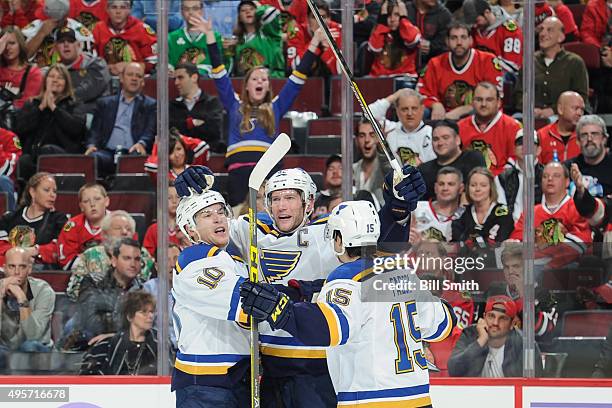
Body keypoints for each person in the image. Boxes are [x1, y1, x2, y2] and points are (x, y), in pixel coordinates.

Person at [175, 161, 426, 408]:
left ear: (309, 203)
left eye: (290, 198)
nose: (282, 206)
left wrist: (397, 208)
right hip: (271, 373)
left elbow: (380, 244)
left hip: (318, 373)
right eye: (275, 198)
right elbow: (209, 230)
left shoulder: (329, 232)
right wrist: (197, 184)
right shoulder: (248, 231)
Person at [239, 200, 456, 406]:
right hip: (418, 398)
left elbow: (329, 329)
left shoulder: (346, 278)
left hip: (370, 401)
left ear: (340, 240)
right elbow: (444, 325)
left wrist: (279, 309)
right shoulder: (405, 275)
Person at [197, 14, 322, 207]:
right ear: (246, 85)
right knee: (240, 220)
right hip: (239, 173)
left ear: (268, 86)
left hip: (269, 172)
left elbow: (297, 79)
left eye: (264, 79)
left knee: (269, 217)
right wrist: (210, 38)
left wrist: (314, 43)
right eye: (255, 79)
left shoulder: (276, 107)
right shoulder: (234, 105)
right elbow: (220, 76)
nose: (260, 82)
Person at [171, 190, 250, 407]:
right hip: (204, 384)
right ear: (190, 229)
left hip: (237, 377)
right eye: (206, 215)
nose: (218, 218)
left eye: (220, 211)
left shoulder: (233, 260)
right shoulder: (194, 260)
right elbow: (247, 303)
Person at [510, 162, 592, 268]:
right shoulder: (530, 213)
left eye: (556, 176)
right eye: (545, 176)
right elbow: (515, 245)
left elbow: (580, 243)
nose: (550, 179)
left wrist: (539, 249)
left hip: (569, 270)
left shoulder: (577, 208)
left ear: (567, 182)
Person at [417, 21, 503, 120]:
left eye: (463, 37)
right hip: (443, 118)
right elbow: (421, 94)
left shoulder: (487, 61)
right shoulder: (435, 63)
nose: (459, 42)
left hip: (476, 117)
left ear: (471, 40)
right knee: (422, 110)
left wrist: (463, 110)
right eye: (454, 38)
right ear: (447, 41)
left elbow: (494, 99)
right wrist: (435, 104)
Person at [15, 63, 87, 182]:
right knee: (24, 161)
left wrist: (54, 108)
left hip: (64, 153)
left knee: (48, 150)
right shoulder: (33, 103)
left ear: (66, 83)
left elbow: (76, 129)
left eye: (60, 78)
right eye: (51, 76)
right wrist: (41, 107)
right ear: (45, 81)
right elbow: (20, 128)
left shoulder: (74, 104)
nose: (55, 80)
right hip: (34, 154)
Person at [85, 62, 156, 178]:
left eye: (138, 76)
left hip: (132, 152)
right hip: (106, 152)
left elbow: (150, 131)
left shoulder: (150, 105)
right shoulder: (105, 103)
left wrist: (142, 143)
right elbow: (95, 131)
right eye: (130, 75)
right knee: (93, 157)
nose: (134, 79)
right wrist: (91, 145)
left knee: (137, 158)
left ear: (143, 82)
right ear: (121, 78)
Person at [66, 210, 154, 302]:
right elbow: (74, 292)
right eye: (118, 228)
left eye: (128, 229)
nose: (124, 232)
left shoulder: (143, 255)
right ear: (104, 234)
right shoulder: (90, 255)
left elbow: (152, 288)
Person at [514, 16, 589, 121]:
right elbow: (519, 94)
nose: (542, 34)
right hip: (531, 115)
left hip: (562, 116)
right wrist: (531, 109)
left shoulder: (575, 62)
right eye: (541, 29)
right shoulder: (529, 61)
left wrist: (554, 110)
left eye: (549, 30)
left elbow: (581, 96)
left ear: (561, 37)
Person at [448, 294, 543, 377]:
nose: (495, 323)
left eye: (503, 318)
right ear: (484, 317)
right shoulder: (469, 335)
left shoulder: (524, 344)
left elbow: (535, 385)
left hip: (510, 396)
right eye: (491, 316)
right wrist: (480, 341)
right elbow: (454, 370)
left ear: (512, 324)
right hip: (473, 395)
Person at [73, 237, 144, 344]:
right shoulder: (94, 282)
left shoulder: (142, 288)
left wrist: (117, 335)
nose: (133, 264)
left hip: (128, 346)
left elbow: (147, 327)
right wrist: (128, 331)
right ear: (114, 261)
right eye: (127, 258)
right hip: (89, 344)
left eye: (137, 259)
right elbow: (90, 322)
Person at [486, 244, 558, 342]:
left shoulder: (545, 295)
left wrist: (522, 293)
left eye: (516, 266)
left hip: (533, 352)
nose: (510, 271)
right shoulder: (494, 291)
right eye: (507, 267)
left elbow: (543, 330)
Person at [79, 289, 158, 375]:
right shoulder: (108, 345)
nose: (150, 316)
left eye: (152, 312)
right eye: (144, 312)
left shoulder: (158, 344)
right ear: (130, 316)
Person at [0, 247, 55, 367]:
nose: (16, 272)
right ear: (4, 269)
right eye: (12, 266)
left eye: (22, 267)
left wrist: (21, 298)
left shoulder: (44, 291)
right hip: (5, 349)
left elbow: (33, 335)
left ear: (29, 269)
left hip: (37, 349)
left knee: (29, 346)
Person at [0, 173, 67, 267]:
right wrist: (18, 254)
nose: (52, 195)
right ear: (32, 192)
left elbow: (60, 248)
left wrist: (35, 250)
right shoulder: (9, 218)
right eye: (46, 190)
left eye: (54, 191)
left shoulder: (59, 220)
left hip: (42, 271)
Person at [458, 81, 520, 176]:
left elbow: (516, 159)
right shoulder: (460, 127)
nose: (483, 104)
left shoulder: (513, 126)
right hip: (468, 182)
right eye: (479, 99)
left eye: (489, 100)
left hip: (502, 182)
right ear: (472, 102)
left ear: (499, 102)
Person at [418, 119, 486, 200]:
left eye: (445, 138)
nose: (440, 143)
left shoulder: (473, 158)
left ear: (457, 140)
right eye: (436, 139)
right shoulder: (424, 170)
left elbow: (482, 190)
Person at [369, 88, 435, 169]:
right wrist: (394, 96)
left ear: (422, 109)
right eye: (404, 109)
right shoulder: (390, 129)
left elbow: (431, 163)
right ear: (397, 111)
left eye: (414, 108)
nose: (410, 113)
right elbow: (368, 114)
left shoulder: (432, 133)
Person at [54, 26, 111, 116]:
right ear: (56, 48)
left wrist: (60, 98)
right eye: (61, 42)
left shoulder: (97, 64)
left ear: (79, 45)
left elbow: (89, 90)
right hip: (65, 117)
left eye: (70, 41)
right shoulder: (54, 71)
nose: (66, 45)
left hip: (95, 117)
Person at [22, 0, 95, 68]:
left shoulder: (80, 33)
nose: (44, 21)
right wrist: (41, 34)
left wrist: (65, 51)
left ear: (63, 18)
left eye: (48, 18)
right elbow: (20, 58)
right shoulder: (35, 26)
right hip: (36, 75)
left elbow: (89, 65)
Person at [92, 0, 157, 75]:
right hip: (105, 78)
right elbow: (90, 60)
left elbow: (153, 62)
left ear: (129, 10)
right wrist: (106, 68)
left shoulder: (142, 29)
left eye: (123, 7)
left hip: (137, 79)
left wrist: (130, 67)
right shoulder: (98, 28)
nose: (118, 12)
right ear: (107, 9)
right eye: (114, 7)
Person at [451, 167, 514, 244]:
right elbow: (456, 242)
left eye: (483, 185)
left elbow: (499, 242)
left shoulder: (503, 213)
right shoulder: (462, 213)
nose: (477, 189)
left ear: (491, 188)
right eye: (473, 185)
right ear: (467, 188)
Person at [168, 62, 223, 148]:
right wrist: (192, 123)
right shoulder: (172, 105)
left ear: (194, 78)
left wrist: (184, 126)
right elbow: (170, 132)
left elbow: (214, 131)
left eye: (180, 78)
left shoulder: (212, 102)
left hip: (208, 154)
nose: (176, 82)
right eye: (174, 79)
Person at [57, 183, 110, 270]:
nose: (92, 204)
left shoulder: (119, 223)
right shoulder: (71, 225)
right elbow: (66, 261)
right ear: (81, 207)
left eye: (97, 199)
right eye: (86, 201)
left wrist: (85, 257)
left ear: (106, 201)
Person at [462, 0, 523, 76]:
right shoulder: (474, 29)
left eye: (476, 21)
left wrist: (484, 64)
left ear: (487, 13)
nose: (474, 26)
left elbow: (513, 66)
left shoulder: (511, 30)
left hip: (500, 79)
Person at [495, 129, 543, 222]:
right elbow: (501, 210)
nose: (524, 147)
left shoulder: (546, 175)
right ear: (514, 149)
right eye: (520, 143)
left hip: (540, 227)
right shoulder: (502, 178)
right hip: (510, 228)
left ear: (538, 150)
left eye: (529, 143)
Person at [168, 0, 224, 78]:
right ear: (181, 12)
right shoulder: (172, 38)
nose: (191, 12)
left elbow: (219, 66)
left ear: (202, 11)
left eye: (195, 8)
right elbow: (168, 65)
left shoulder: (214, 37)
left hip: (207, 82)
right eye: (186, 9)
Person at [366, 0, 421, 77]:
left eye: (397, 15)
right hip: (380, 79)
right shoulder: (378, 31)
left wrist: (403, 19)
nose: (392, 19)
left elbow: (411, 40)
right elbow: (375, 48)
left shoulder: (412, 30)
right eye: (388, 15)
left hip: (405, 78)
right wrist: (383, 22)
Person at [286, 0, 341, 76]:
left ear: (329, 19)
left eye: (323, 17)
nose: (319, 22)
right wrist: (315, 42)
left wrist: (326, 50)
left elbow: (338, 71)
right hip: (303, 81)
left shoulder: (336, 30)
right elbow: (294, 67)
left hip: (329, 81)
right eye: (314, 17)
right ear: (308, 19)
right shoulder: (297, 32)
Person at [231, 0, 285, 78]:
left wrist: (259, 7)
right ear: (239, 17)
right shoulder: (239, 43)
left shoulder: (269, 33)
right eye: (243, 10)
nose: (248, 12)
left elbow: (273, 12)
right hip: (251, 83)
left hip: (275, 79)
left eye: (252, 9)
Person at [411, 166, 464, 243]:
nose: (445, 188)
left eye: (451, 184)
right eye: (441, 184)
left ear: (461, 188)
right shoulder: (416, 208)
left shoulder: (465, 217)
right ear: (435, 187)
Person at [564, 115, 612, 198]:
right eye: (584, 135)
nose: (589, 139)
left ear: (604, 139)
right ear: (578, 142)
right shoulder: (567, 168)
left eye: (595, 134)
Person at [143, 243, 180, 348]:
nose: (172, 264)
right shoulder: (149, 290)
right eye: (166, 260)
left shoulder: (193, 289)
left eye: (176, 258)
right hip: (159, 351)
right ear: (157, 266)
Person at [0, 27, 43, 110]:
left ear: (20, 44)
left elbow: (26, 106)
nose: (7, 48)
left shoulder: (33, 72)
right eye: (4, 44)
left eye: (12, 43)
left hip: (18, 118)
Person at [537, 91, 585, 164]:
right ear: (560, 109)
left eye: (582, 110)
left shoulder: (585, 136)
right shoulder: (542, 135)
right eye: (575, 108)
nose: (579, 113)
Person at [145, 129, 210, 181]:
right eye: (171, 152)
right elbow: (151, 165)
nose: (177, 155)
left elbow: (202, 146)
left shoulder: (195, 170)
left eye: (179, 149)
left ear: (185, 149)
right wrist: (157, 145)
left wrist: (180, 138)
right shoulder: (163, 174)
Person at [405, 0, 453, 67]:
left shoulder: (444, 15)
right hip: (405, 63)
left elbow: (444, 43)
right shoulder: (405, 10)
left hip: (432, 64)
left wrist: (431, 46)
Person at [142, 182, 181, 257]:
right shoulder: (153, 229)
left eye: (178, 197)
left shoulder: (189, 228)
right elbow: (147, 258)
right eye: (169, 198)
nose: (174, 201)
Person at [353, 119, 384, 204]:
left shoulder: (388, 167)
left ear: (379, 139)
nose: (367, 140)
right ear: (356, 140)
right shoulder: (351, 170)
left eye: (372, 135)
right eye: (362, 135)